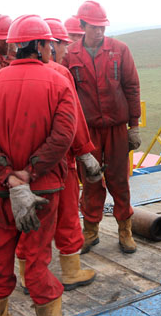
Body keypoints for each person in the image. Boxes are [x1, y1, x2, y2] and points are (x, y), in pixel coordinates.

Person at [0, 15, 80, 316]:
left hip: (1, 191)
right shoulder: (59, 82)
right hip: (43, 190)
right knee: (37, 256)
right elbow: (63, 135)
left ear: (14, 47)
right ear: (42, 46)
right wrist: (31, 173)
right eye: (49, 45)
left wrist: (8, 176)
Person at [16, 18, 100, 293]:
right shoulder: (59, 74)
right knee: (67, 216)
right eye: (63, 43)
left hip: (21, 166)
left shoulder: (10, 74)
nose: (65, 49)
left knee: (29, 220)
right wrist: (85, 152)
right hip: (60, 162)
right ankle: (71, 271)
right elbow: (72, 121)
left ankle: (26, 274)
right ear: (50, 45)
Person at [62, 1, 141, 254]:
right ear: (83, 25)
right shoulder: (70, 55)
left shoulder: (120, 50)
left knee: (119, 180)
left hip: (116, 128)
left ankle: (125, 230)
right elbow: (66, 96)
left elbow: (132, 87)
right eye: (94, 27)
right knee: (91, 180)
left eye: (102, 27)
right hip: (87, 131)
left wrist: (134, 125)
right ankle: (91, 231)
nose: (99, 31)